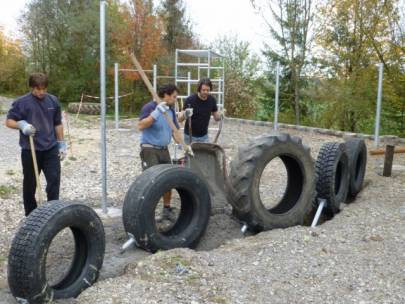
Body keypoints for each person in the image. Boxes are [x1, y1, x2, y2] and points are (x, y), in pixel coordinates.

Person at [6, 73, 66, 216]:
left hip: (50, 149)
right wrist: (22, 125)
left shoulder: (53, 101)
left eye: (44, 89)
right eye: (38, 89)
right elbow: (9, 121)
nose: (41, 92)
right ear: (32, 87)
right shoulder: (21, 102)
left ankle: (52, 212)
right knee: (30, 184)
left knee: (54, 180)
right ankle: (31, 215)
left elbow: (57, 124)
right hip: (30, 150)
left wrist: (62, 143)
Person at [138, 84, 181, 221]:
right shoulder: (150, 107)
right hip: (149, 149)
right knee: (152, 182)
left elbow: (175, 131)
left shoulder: (171, 111)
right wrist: (155, 113)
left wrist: (185, 146)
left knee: (167, 180)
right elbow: (141, 126)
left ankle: (166, 210)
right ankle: (147, 214)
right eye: (174, 97)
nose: (175, 99)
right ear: (166, 95)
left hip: (164, 150)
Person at [178, 78, 221, 144]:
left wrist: (221, 115)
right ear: (199, 89)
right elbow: (179, 119)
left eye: (208, 90)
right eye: (203, 90)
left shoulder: (212, 100)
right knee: (189, 154)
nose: (206, 92)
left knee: (204, 154)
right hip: (189, 136)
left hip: (204, 136)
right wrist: (185, 114)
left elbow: (216, 118)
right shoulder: (190, 100)